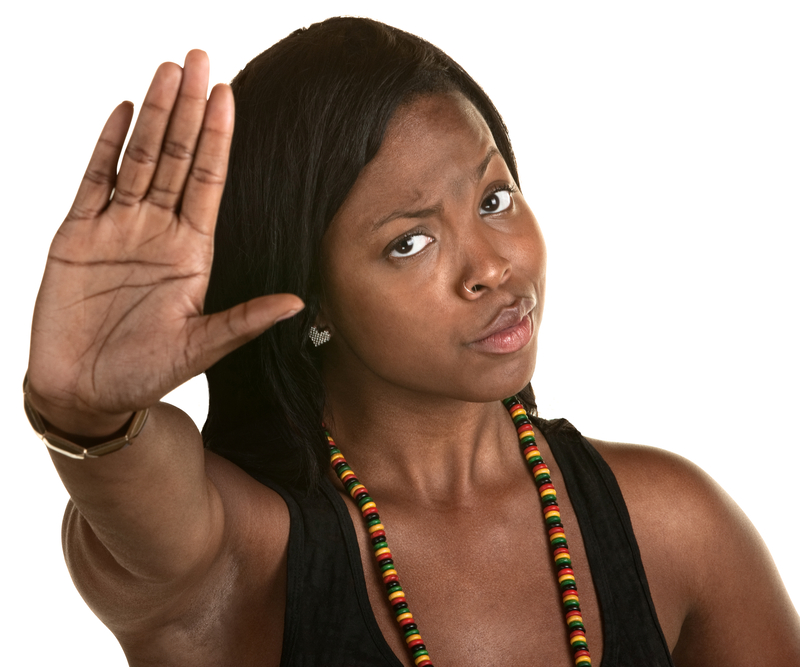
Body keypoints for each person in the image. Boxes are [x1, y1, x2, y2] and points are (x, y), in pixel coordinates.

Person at [24, 16, 800, 667]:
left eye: (495, 197)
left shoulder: (672, 522)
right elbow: (143, 501)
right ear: (309, 296)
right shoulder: (245, 559)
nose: (493, 265)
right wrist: (83, 410)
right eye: (410, 242)